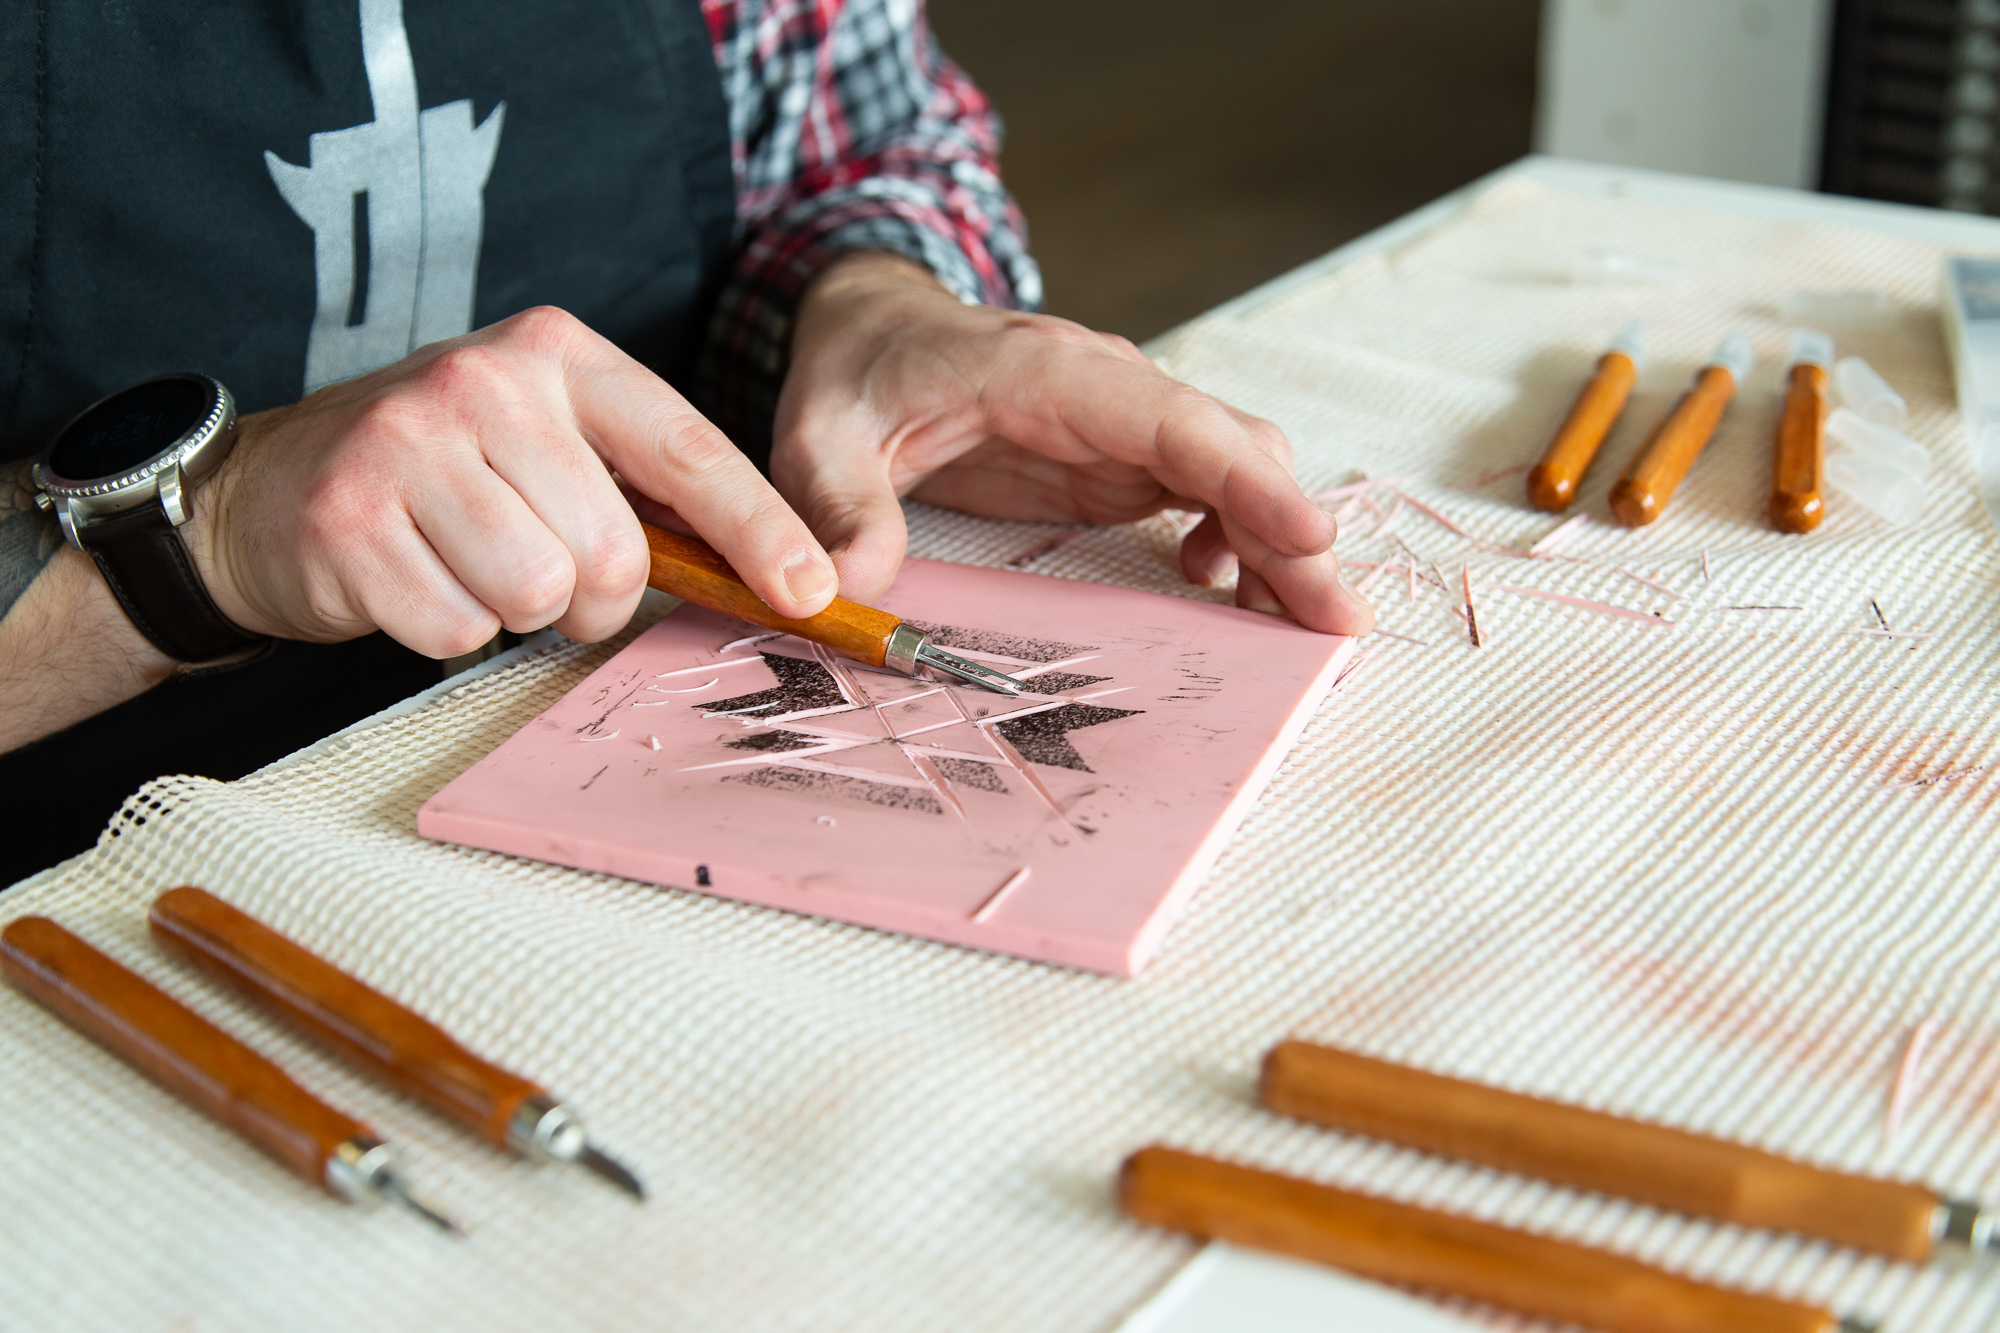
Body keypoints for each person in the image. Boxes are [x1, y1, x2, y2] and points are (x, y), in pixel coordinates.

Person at [0, 0, 1372, 880]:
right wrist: (200, 538)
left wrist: (873, 304)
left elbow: (872, 143)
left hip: (625, 759)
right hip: (90, 885)